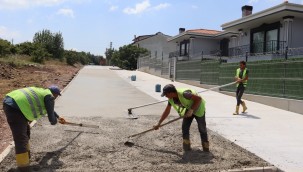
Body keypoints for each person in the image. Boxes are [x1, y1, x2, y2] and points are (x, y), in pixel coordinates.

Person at [2, 85, 66, 171]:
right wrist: (55, 120)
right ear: (55, 94)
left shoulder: (43, 93)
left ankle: (26, 157)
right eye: (57, 95)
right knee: (21, 138)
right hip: (15, 108)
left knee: (26, 133)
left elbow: (50, 110)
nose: (56, 97)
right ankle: (23, 167)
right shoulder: (50, 97)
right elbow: (52, 120)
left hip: (13, 103)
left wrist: (58, 117)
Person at [153, 84, 209, 152]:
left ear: (171, 93)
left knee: (202, 128)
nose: (165, 96)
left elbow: (199, 99)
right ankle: (187, 148)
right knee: (185, 127)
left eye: (166, 94)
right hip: (188, 108)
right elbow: (167, 111)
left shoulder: (185, 94)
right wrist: (159, 123)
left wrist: (191, 110)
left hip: (198, 108)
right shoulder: (171, 99)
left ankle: (206, 148)